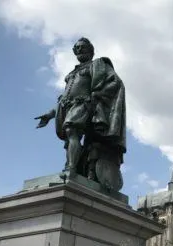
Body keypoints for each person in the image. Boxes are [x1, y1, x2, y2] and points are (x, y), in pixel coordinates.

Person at [34, 37, 126, 190]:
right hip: (68, 105)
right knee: (70, 139)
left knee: (72, 130)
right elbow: (64, 96)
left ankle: (70, 169)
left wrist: (98, 94)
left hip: (85, 104)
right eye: (76, 48)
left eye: (82, 47)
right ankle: (72, 167)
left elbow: (116, 82)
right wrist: (51, 113)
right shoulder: (72, 73)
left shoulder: (98, 64)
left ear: (91, 50)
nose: (79, 50)